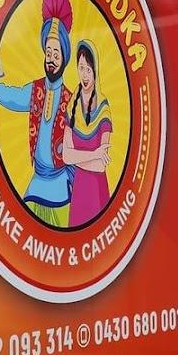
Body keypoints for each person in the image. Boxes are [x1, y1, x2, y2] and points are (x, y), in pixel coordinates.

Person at [0, 0, 76, 226]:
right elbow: (13, 97)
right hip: (37, 184)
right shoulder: (36, 90)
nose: (51, 59)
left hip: (61, 188)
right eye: (48, 52)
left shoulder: (71, 100)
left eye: (56, 53)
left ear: (65, 57)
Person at [62, 39, 112, 226]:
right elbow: (65, 156)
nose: (84, 74)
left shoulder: (103, 107)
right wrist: (94, 154)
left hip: (97, 193)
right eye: (81, 68)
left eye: (88, 70)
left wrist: (77, 157)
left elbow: (101, 166)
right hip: (79, 192)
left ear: (95, 71)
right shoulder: (72, 106)